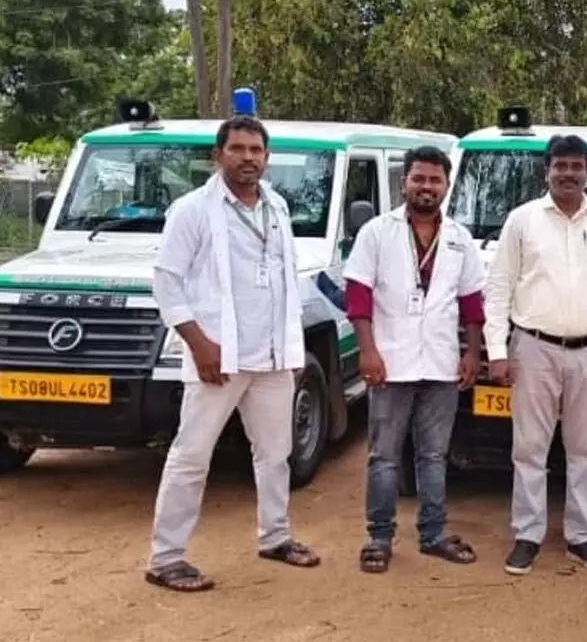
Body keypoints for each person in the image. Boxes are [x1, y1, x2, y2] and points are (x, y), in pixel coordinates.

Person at [144, 114, 319, 592]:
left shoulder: (277, 207)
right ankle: (166, 558)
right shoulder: (193, 209)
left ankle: (276, 536)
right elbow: (167, 282)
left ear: (266, 157)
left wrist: (292, 348)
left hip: (271, 357)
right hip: (218, 357)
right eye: (237, 149)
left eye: (256, 150)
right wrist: (198, 344)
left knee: (276, 454)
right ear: (218, 155)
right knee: (191, 455)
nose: (248, 158)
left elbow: (284, 281)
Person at [483, 133, 587, 576]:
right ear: (546, 169)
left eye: (577, 166)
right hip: (533, 347)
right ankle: (528, 534)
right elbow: (498, 290)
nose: (568, 174)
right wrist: (497, 350)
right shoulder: (522, 220)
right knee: (529, 447)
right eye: (560, 166)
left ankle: (581, 535)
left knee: (586, 448)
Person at [343, 145, 486, 574]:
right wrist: (367, 351)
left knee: (433, 456)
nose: (426, 187)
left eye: (435, 180)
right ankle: (379, 537)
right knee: (384, 456)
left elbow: (472, 303)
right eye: (418, 178)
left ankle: (433, 533)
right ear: (404, 181)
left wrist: (473, 352)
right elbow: (357, 296)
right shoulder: (376, 232)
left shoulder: (460, 239)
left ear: (446, 185)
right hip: (389, 360)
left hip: (442, 363)